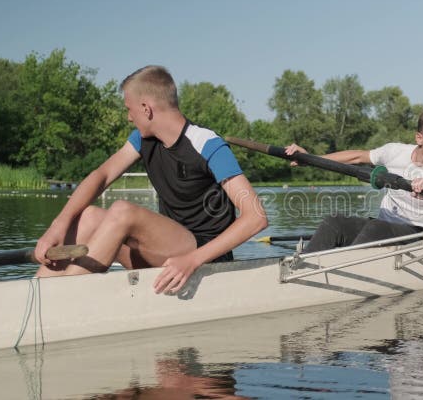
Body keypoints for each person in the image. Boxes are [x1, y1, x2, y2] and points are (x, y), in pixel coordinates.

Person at [33, 65, 267, 294]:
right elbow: (101, 176)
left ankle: (62, 299)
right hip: (164, 253)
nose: (128, 117)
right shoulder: (143, 140)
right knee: (90, 215)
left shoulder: (207, 144)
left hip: (204, 256)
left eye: (129, 108)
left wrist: (192, 260)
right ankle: (37, 293)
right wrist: (57, 227)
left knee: (123, 211)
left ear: (146, 108)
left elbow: (256, 217)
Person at [284, 104, 423, 253]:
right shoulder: (394, 152)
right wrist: (310, 159)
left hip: (420, 238)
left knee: (375, 228)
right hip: (380, 228)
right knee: (334, 222)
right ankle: (302, 269)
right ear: (420, 138)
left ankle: (343, 270)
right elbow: (358, 156)